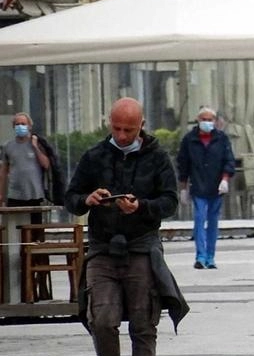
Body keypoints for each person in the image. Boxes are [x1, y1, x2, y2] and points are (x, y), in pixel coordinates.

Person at [64, 97, 188, 356]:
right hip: (103, 250)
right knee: (102, 320)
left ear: (141, 125)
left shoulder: (158, 157)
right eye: (116, 128)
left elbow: (170, 202)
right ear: (110, 123)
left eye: (128, 130)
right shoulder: (94, 156)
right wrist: (87, 199)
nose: (121, 135)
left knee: (144, 324)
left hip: (141, 249)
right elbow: (71, 198)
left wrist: (141, 206)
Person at [176, 107, 236, 270]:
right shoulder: (189, 140)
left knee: (213, 221)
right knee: (199, 218)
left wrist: (225, 180)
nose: (207, 122)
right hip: (198, 186)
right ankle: (200, 256)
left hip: (216, 186)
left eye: (210, 119)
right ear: (198, 120)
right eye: (204, 119)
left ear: (215, 121)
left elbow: (229, 161)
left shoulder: (222, 139)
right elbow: (183, 163)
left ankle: (210, 256)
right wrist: (183, 187)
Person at [0, 112, 64, 223]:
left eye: (23, 124)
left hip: (35, 195)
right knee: (15, 228)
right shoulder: (8, 146)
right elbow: (3, 172)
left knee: (35, 230)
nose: (20, 126)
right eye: (17, 124)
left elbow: (46, 164)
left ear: (29, 126)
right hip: (15, 194)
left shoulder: (38, 144)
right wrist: (1, 194)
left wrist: (35, 147)